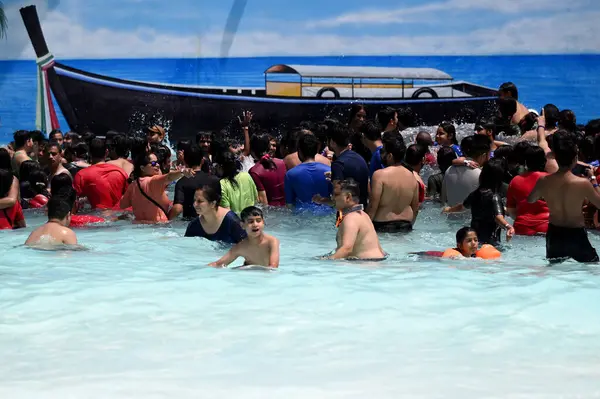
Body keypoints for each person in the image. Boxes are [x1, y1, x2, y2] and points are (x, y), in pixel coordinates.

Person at [528, 130, 600, 263]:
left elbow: (531, 200)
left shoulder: (544, 181)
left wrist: (546, 195)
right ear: (575, 158)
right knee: (592, 267)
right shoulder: (583, 183)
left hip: (555, 235)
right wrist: (594, 180)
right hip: (576, 235)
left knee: (555, 271)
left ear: (555, 156)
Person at [443, 158, 515, 245]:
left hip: (475, 242)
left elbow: (462, 207)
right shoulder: (495, 197)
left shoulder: (475, 194)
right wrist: (509, 227)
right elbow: (498, 217)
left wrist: (448, 210)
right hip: (491, 243)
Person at [367, 132, 419, 232]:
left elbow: (373, 206)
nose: (381, 154)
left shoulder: (379, 175)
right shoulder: (412, 177)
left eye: (383, 151)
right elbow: (415, 209)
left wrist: (366, 229)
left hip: (383, 225)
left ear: (390, 156)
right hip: (406, 226)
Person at [121, 152, 192, 223]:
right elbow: (169, 177)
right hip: (158, 227)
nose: (157, 165)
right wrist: (182, 171)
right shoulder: (153, 181)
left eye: (157, 162)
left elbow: (122, 204)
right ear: (142, 168)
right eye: (153, 163)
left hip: (138, 226)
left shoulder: (133, 185)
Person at [325, 179, 386, 260]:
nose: (332, 198)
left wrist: (325, 262)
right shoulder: (363, 215)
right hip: (375, 263)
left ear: (348, 197)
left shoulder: (351, 218)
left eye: (336, 194)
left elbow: (346, 249)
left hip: (366, 265)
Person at [207, 206, 279, 268]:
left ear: (263, 223)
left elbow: (273, 267)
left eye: (258, 220)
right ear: (242, 225)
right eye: (250, 222)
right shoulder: (241, 247)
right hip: (248, 274)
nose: (255, 224)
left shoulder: (272, 242)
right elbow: (218, 264)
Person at [318, 122, 370, 207]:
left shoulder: (338, 165)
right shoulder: (359, 158)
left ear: (332, 142)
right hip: (362, 209)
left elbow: (337, 199)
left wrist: (320, 200)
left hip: (348, 212)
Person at [74, 138, 130, 209]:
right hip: (117, 217)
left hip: (94, 217)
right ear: (106, 152)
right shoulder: (121, 172)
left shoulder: (81, 175)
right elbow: (129, 199)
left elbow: (74, 202)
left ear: (89, 153)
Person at [506, 146, 549, 235]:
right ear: (545, 161)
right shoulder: (551, 179)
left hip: (521, 228)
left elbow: (511, 211)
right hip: (546, 227)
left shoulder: (515, 180)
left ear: (526, 163)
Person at [285, 132, 332, 209]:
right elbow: (336, 200)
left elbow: (289, 205)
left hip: (302, 217)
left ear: (299, 151)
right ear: (316, 149)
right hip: (327, 215)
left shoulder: (290, 174)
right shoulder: (328, 170)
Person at [170, 146, 220, 219]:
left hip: (190, 223)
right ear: (202, 161)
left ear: (184, 161)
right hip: (211, 221)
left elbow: (178, 209)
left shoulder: (182, 182)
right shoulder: (215, 180)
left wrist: (167, 220)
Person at [442, 135, 491, 206]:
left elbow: (443, 200)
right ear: (483, 156)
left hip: (450, 215)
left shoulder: (449, 170)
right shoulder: (482, 175)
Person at [249, 134, 286, 206]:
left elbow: (263, 201)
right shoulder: (282, 163)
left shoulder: (254, 171)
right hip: (287, 207)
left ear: (252, 150)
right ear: (268, 147)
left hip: (273, 212)